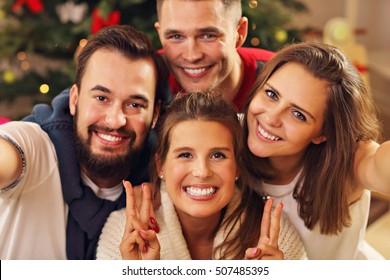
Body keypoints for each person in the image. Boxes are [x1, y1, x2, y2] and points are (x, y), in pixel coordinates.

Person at [0, 24, 168, 259]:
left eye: (135, 105)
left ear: (155, 115)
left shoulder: (163, 180)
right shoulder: (34, 147)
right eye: (101, 98)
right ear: (74, 100)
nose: (115, 120)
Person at [96, 91, 306, 260]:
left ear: (237, 167)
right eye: (185, 155)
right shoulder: (122, 234)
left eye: (218, 155)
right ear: (161, 165)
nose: (202, 172)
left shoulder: (274, 237)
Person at [242, 41, 390, 259]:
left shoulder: (347, 160)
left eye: (298, 114)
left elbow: (380, 166)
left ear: (323, 133)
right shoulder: (227, 135)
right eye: (272, 95)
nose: (271, 118)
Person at [154, 0, 274, 111]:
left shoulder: (280, 74)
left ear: (239, 33)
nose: (192, 56)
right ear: (160, 35)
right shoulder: (146, 76)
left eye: (208, 36)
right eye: (176, 37)